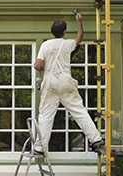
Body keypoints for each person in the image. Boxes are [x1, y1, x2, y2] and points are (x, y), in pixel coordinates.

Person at [33, 12, 104, 154]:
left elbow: (37, 65)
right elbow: (79, 38)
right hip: (66, 80)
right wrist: (79, 22)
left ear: (52, 31)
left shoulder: (46, 45)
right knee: (79, 111)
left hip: (50, 81)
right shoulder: (67, 44)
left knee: (46, 115)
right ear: (64, 32)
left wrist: (43, 69)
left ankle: (40, 148)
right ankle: (95, 139)